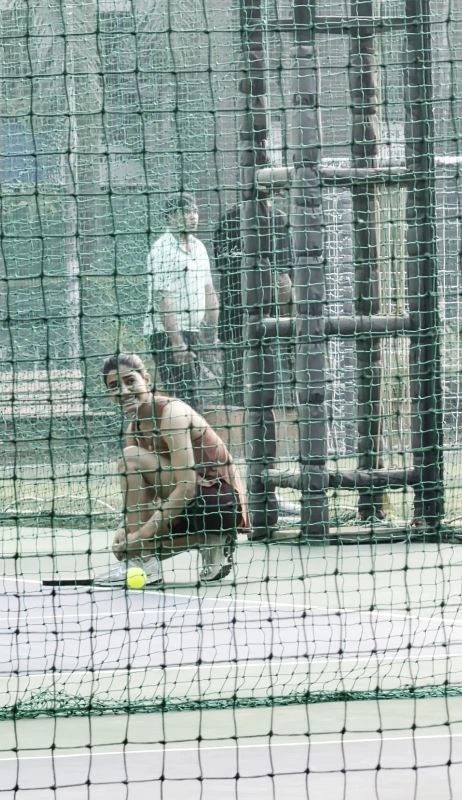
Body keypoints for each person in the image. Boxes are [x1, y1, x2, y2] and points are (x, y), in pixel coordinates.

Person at [97, 352, 249, 586]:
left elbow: (187, 486)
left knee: (131, 458)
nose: (124, 391)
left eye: (130, 382)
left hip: (218, 502)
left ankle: (143, 559)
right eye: (114, 386)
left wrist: (140, 536)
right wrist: (125, 530)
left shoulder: (173, 413)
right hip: (188, 507)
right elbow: (141, 494)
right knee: (127, 544)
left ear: (146, 379)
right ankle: (207, 542)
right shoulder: (134, 429)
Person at [213, 187, 293, 404]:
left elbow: (223, 268)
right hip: (264, 323)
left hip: (242, 323)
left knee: (241, 397)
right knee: (274, 396)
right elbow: (283, 279)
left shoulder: (227, 219)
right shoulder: (273, 220)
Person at [144, 192, 219, 413]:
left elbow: (209, 291)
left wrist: (212, 335)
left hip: (194, 332)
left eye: (195, 210)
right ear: (170, 217)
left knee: (195, 398)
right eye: (186, 211)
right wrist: (177, 343)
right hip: (167, 336)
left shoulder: (199, 247)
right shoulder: (162, 250)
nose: (193, 216)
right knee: (185, 401)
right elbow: (162, 300)